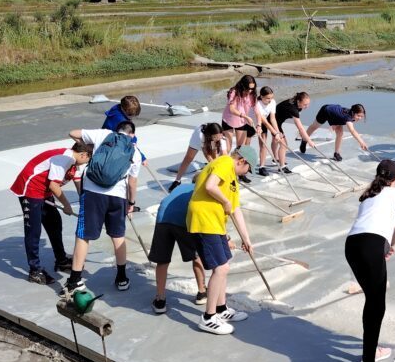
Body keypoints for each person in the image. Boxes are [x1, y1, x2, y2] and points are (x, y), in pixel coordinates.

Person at [345, 159, 395, 362]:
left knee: (372, 301)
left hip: (352, 245)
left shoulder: (368, 194)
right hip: (372, 246)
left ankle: (371, 351)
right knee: (376, 304)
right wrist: (391, 246)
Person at [63, 122, 141, 295]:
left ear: (117, 131)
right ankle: (121, 278)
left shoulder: (104, 134)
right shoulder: (135, 151)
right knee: (118, 236)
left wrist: (90, 148)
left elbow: (73, 132)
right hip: (118, 196)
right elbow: (132, 182)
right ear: (132, 135)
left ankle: (75, 280)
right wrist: (131, 203)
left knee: (83, 236)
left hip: (93, 193)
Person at [186, 146, 256, 335]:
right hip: (204, 220)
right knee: (221, 268)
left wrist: (246, 239)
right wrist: (224, 201)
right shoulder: (225, 162)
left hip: (216, 224)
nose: (247, 172)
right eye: (249, 168)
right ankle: (208, 318)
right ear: (242, 161)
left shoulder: (233, 178)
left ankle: (221, 309)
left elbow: (235, 210)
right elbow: (210, 186)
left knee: (224, 265)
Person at [10, 142, 92, 284]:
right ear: (83, 154)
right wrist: (66, 205)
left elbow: (79, 186)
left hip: (44, 190)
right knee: (33, 230)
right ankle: (34, 271)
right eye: (88, 159)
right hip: (31, 189)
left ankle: (61, 260)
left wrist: (87, 207)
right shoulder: (65, 159)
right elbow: (54, 185)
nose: (87, 162)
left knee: (54, 223)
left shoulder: (75, 163)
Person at [148, 183, 207, 314]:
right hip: (183, 220)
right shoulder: (204, 189)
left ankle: (160, 299)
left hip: (163, 217)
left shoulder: (183, 186)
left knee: (162, 260)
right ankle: (202, 292)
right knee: (196, 255)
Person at [169, 122, 227, 191]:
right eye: (216, 137)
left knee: (216, 158)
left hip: (210, 139)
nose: (218, 138)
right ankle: (177, 180)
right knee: (188, 158)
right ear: (210, 135)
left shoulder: (221, 138)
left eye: (219, 136)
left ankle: (215, 179)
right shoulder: (201, 136)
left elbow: (224, 155)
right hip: (197, 139)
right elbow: (208, 156)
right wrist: (215, 165)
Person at [304, 103, 369, 161]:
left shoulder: (350, 115)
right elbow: (352, 131)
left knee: (340, 133)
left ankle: (336, 153)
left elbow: (340, 117)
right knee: (315, 126)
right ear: (353, 112)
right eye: (358, 115)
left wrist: (335, 125)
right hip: (325, 110)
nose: (360, 118)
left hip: (336, 115)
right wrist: (362, 142)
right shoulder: (348, 117)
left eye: (361, 116)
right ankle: (304, 139)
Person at [273, 91, 313, 174]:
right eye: (305, 104)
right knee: (284, 145)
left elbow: (298, 124)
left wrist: (302, 134)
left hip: (278, 121)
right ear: (298, 101)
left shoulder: (298, 105)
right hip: (273, 122)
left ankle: (276, 158)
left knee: (276, 140)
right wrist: (309, 141)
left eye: (308, 104)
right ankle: (282, 167)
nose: (307, 106)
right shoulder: (293, 108)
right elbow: (301, 128)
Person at [221, 75, 258, 150]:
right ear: (243, 86)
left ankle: (236, 161)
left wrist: (259, 125)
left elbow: (257, 111)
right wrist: (246, 117)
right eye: (249, 88)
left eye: (252, 88)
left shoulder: (252, 95)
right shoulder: (234, 92)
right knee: (227, 147)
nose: (250, 90)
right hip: (228, 120)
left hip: (241, 122)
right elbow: (232, 109)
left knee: (240, 148)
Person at [253, 86, 282, 177]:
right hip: (254, 122)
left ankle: (262, 167)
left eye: (271, 97)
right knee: (259, 144)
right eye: (267, 98)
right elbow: (264, 122)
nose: (270, 100)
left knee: (263, 144)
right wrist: (274, 132)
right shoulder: (257, 104)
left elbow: (272, 119)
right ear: (261, 96)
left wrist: (277, 132)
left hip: (264, 121)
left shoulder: (272, 102)